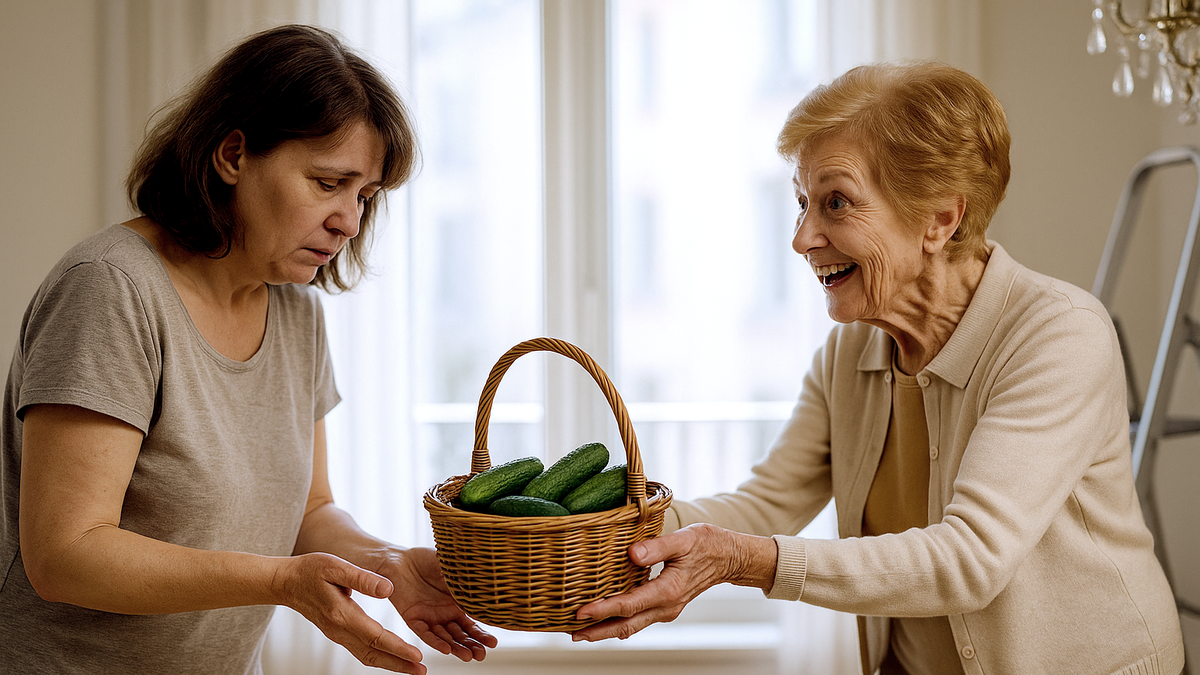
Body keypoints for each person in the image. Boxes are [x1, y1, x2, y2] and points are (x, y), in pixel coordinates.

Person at [570, 61, 1186, 674]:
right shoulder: (851, 354)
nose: (803, 237)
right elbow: (765, 504)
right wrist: (527, 543)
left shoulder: (1057, 334)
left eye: (836, 203)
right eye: (803, 203)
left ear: (940, 219)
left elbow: (969, 558)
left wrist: (744, 561)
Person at [0, 24, 495, 675]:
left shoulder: (297, 309)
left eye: (364, 195)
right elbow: (66, 554)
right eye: (327, 183)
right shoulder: (111, 289)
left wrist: (385, 563)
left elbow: (309, 512)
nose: (349, 219)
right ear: (233, 154)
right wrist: (282, 581)